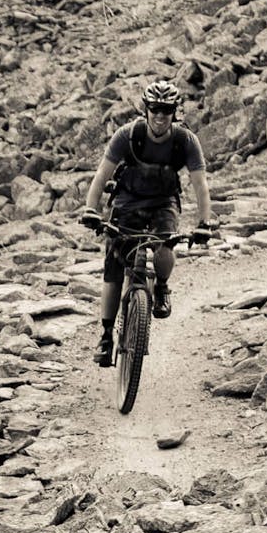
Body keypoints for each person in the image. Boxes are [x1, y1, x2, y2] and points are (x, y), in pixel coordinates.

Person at [81, 79, 214, 366]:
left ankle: (162, 286)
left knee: (167, 244)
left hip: (164, 203)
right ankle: (106, 336)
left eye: (167, 109)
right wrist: (91, 210)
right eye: (155, 108)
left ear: (175, 111)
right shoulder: (127, 136)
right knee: (114, 265)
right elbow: (102, 176)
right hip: (126, 202)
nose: (160, 115)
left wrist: (205, 223)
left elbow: (200, 184)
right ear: (146, 109)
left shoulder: (185, 141)